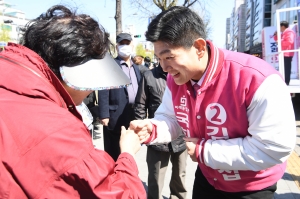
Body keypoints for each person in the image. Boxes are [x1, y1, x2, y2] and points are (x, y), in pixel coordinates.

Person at [130, 6, 296, 199]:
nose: (165, 68)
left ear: (199, 48)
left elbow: (273, 148)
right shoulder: (177, 79)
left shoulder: (256, 79)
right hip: (208, 178)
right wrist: (153, 129)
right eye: (160, 59)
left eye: (169, 57)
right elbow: (171, 116)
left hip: (251, 187)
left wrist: (204, 152)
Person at [0, 5, 146, 198]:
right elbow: (120, 194)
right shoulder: (59, 132)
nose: (93, 89)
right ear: (75, 72)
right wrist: (127, 155)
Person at [134, 63, 188, 199]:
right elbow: (140, 104)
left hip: (181, 136)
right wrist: (140, 131)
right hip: (156, 136)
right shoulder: (149, 76)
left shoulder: (184, 74)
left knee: (180, 176)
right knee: (156, 177)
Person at [98, 33, 142, 161]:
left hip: (132, 114)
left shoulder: (136, 68)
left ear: (132, 46)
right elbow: (103, 90)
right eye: (122, 44)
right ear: (117, 47)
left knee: (128, 150)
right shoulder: (111, 66)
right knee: (113, 152)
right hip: (114, 115)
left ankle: (126, 176)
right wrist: (104, 114)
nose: (125, 46)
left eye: (127, 43)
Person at [274, 21, 296, 85]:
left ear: (283, 26)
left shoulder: (289, 32)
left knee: (286, 68)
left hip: (287, 53)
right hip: (284, 53)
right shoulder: (285, 33)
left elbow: (290, 41)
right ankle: (285, 81)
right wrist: (276, 36)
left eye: (280, 27)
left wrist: (280, 41)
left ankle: (286, 82)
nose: (279, 29)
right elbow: (278, 40)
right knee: (284, 68)